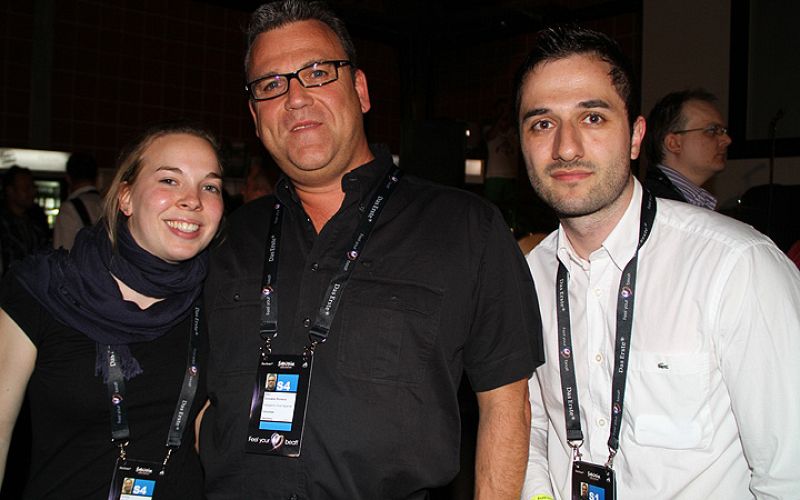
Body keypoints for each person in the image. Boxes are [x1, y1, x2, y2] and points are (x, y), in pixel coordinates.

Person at [199, 1, 543, 499]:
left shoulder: (465, 228)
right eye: (271, 85)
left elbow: (508, 405)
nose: (295, 98)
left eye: (317, 72)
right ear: (255, 116)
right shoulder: (226, 239)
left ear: (359, 90)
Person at [516, 25, 800, 499]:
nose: (566, 147)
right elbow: (536, 430)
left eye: (593, 118)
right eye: (542, 124)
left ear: (635, 137)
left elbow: (789, 476)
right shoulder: (528, 279)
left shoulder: (737, 268)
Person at [0, 122, 225, 499]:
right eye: (170, 180)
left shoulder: (219, 298)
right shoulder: (42, 290)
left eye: (210, 186)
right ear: (126, 197)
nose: (193, 199)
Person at [642, 89, 732, 209]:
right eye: (712, 131)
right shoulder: (656, 206)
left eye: (723, 131)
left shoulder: (666, 200)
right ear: (674, 144)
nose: (727, 140)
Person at [0, 166, 49, 276]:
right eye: (26, 188)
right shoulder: (4, 223)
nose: (32, 192)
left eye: (33, 187)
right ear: (10, 191)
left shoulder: (36, 219)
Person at [53, 151, 103, 250]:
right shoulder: (109, 203)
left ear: (68, 178)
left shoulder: (69, 208)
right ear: (96, 178)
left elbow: (62, 253)